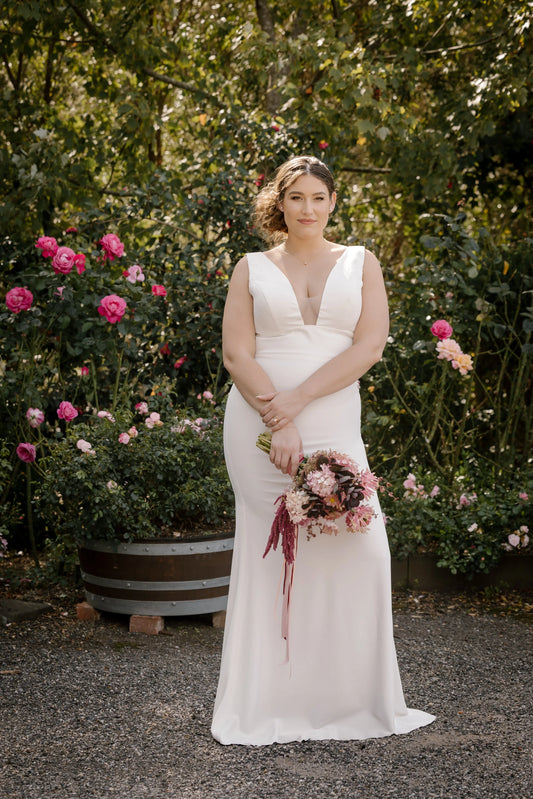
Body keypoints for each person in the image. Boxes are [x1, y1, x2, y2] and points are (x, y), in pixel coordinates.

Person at [211, 155, 435, 745]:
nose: (307, 208)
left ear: (334, 202)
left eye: (318, 197)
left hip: (332, 418)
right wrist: (277, 419)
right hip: (258, 426)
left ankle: (347, 699)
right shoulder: (251, 267)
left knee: (361, 550)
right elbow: (236, 354)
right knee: (272, 557)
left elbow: (369, 346)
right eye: (296, 197)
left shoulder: (361, 262)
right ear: (279, 204)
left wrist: (298, 402)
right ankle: (269, 701)